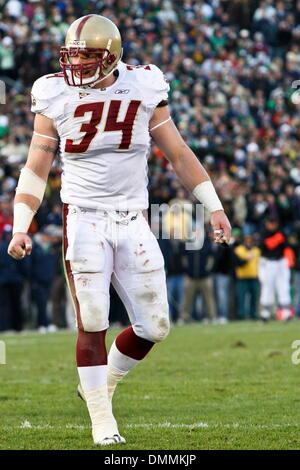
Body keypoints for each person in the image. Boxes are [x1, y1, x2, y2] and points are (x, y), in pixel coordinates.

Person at [7, 14, 231, 446]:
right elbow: (36, 167)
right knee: (92, 320)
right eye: (73, 57)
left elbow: (179, 154)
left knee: (155, 326)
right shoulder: (52, 91)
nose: (78, 66)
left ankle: (102, 384)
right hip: (85, 217)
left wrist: (214, 207)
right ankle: (101, 421)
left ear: (112, 56)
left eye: (88, 57)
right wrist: (21, 226)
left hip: (133, 217)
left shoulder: (144, 85)